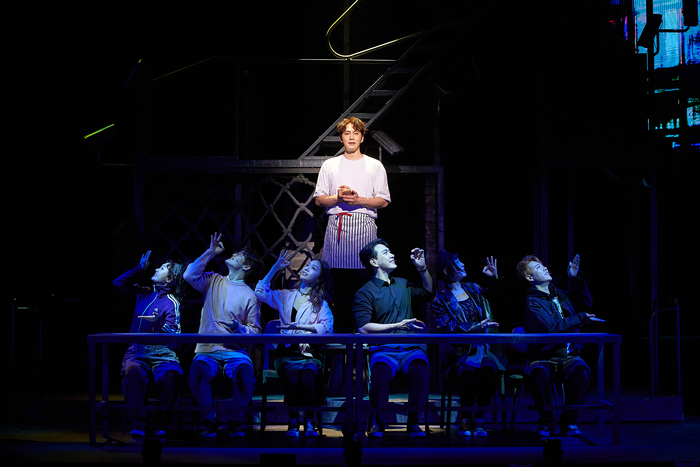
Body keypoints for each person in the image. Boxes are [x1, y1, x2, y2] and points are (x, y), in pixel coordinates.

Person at [314, 116, 391, 334]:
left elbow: (383, 200)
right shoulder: (330, 165)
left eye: (356, 133)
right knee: (338, 292)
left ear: (362, 137)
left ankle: (364, 342)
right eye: (346, 133)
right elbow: (319, 200)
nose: (351, 137)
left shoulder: (374, 165)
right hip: (337, 228)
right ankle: (340, 344)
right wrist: (337, 198)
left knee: (364, 290)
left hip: (363, 228)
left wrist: (359, 200)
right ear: (341, 138)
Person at [183, 232, 264, 437]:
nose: (234, 254)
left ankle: (235, 421)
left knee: (246, 378)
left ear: (247, 266)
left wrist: (238, 328)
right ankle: (210, 419)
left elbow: (255, 331)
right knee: (196, 374)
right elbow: (188, 275)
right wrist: (210, 252)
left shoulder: (250, 295)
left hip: (235, 351)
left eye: (240, 255)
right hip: (207, 349)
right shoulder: (213, 280)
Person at [353, 239, 434, 438]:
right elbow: (363, 327)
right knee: (380, 375)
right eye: (385, 252)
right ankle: (378, 422)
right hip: (384, 349)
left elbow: (428, 294)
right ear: (373, 262)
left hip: (410, 348)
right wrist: (396, 326)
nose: (392, 255)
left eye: (390, 251)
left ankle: (413, 423)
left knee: (421, 372)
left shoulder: (403, 283)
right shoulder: (365, 291)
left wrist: (422, 269)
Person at [515, 253, 601, 437]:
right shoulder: (533, 302)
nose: (545, 268)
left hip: (570, 355)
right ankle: (547, 421)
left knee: (583, 373)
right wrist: (579, 318)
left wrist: (574, 278)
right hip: (544, 357)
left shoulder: (560, 295)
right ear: (530, 277)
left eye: (543, 265)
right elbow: (551, 327)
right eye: (538, 268)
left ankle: (569, 420)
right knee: (538, 376)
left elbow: (587, 302)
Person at [255, 251, 334, 437]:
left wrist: (300, 327)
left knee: (307, 376)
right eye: (307, 265)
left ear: (319, 278)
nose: (307, 268)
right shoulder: (287, 295)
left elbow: (327, 328)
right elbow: (260, 292)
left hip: (307, 352)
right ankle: (292, 421)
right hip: (286, 352)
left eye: (313, 268)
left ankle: (309, 420)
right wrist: (275, 268)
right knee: (292, 376)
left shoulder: (320, 303)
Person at [431, 251, 506, 437]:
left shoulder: (474, 288)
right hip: (460, 354)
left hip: (487, 348)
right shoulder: (440, 300)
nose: (463, 264)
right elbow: (446, 328)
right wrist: (475, 327)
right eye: (457, 262)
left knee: (488, 373)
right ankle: (465, 418)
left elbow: (499, 300)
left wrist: (493, 279)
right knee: (470, 376)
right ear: (446, 271)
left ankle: (479, 418)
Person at [113, 250, 185, 437]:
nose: (157, 268)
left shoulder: (172, 303)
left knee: (171, 378)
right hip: (137, 351)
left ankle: (161, 423)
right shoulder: (143, 293)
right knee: (133, 372)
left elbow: (175, 339)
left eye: (163, 268)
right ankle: (139, 424)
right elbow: (118, 283)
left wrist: (159, 323)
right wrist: (138, 269)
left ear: (169, 280)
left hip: (162, 354)